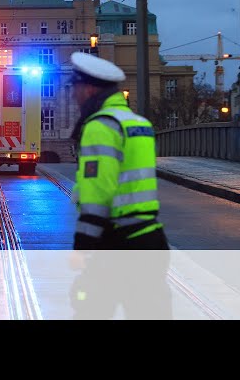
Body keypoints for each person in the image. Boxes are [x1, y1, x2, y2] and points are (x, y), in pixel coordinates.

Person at [68, 52, 171, 319]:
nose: (72, 95)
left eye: (74, 88)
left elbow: (97, 192)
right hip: (151, 239)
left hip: (117, 243)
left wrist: (83, 245)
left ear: (89, 88)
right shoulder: (139, 123)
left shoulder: (101, 126)